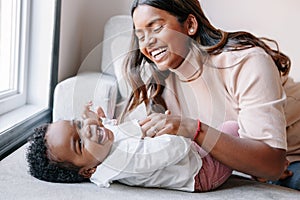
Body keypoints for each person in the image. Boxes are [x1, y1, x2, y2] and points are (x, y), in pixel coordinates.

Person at [119, 0, 300, 190]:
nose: (147, 42)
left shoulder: (244, 62)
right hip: (250, 167)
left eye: (156, 28)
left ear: (190, 25)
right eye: (140, 36)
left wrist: (194, 129)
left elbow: (270, 164)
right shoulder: (161, 89)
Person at [26, 102, 239, 192]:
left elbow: (118, 132)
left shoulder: (101, 151)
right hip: (201, 170)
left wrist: (101, 121)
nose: (88, 130)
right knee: (232, 129)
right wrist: (178, 129)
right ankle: (259, 167)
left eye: (79, 124)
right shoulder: (123, 162)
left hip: (189, 155)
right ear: (89, 170)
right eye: (80, 142)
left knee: (221, 131)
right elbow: (176, 149)